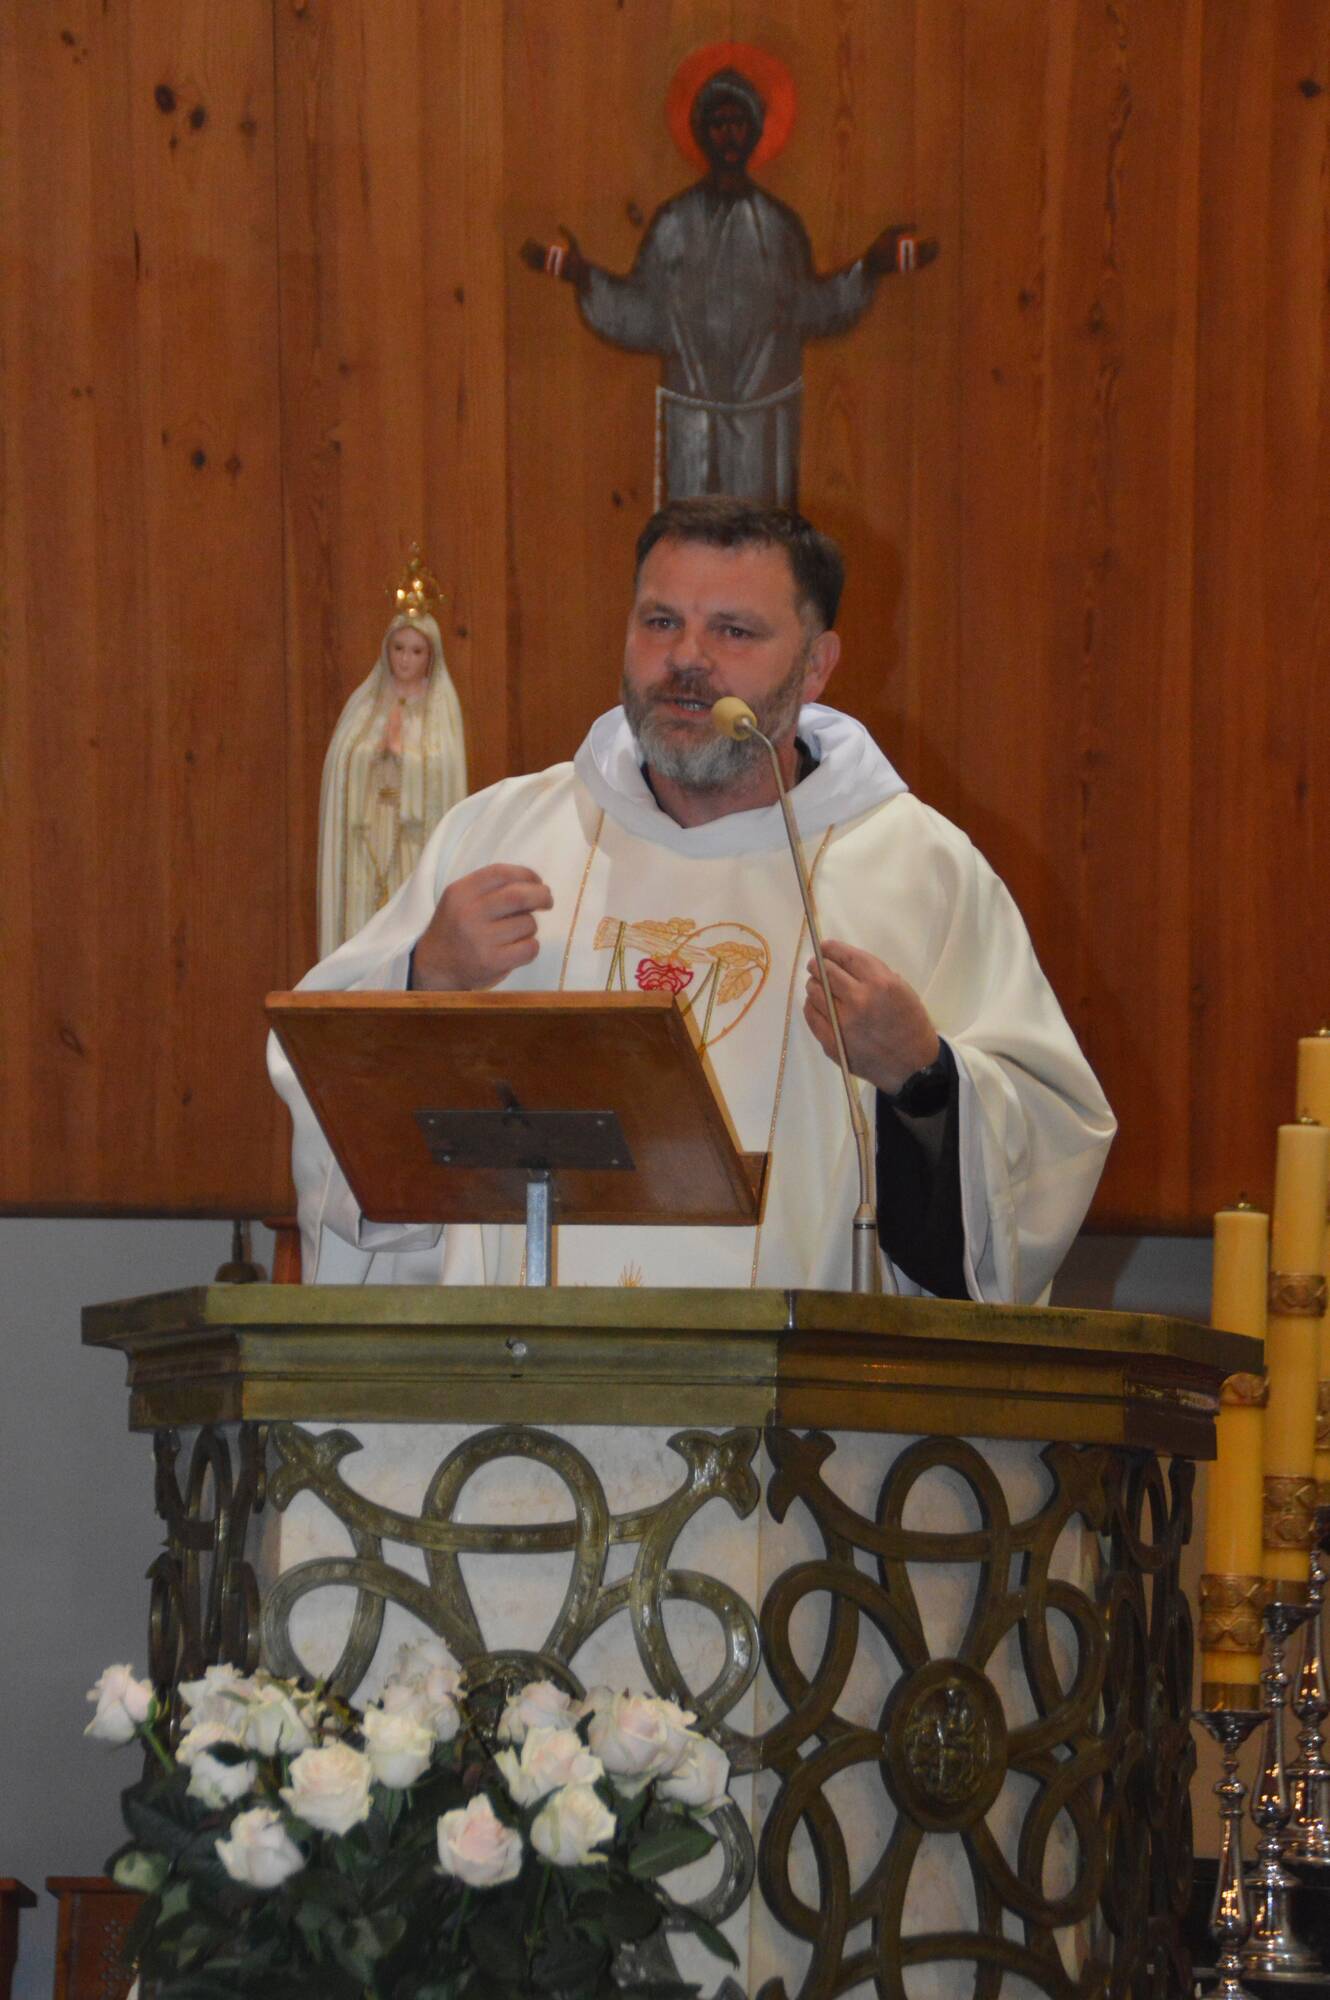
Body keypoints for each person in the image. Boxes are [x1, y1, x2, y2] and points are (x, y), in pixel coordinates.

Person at [271, 497, 1114, 1298]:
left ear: (816, 666)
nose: (687, 659)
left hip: (796, 1398)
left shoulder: (915, 871)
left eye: (734, 631)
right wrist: (424, 977)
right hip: (528, 1388)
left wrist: (923, 1077)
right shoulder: (504, 834)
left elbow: (1046, 1154)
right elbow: (322, 1081)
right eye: (661, 622)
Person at [520, 67, 936, 507]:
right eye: (718, 123)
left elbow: (811, 309)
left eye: (739, 122)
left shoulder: (778, 228)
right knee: (693, 544)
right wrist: (582, 275)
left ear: (755, 131)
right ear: (701, 132)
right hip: (693, 434)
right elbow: (643, 315)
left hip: (763, 432)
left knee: (763, 544)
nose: (729, 135)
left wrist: (871, 267)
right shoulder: (674, 224)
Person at [316, 549, 467, 957]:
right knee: (363, 920)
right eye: (399, 648)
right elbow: (342, 759)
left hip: (411, 839)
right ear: (387, 650)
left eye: (416, 651)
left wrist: (408, 759)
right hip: (367, 835)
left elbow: (445, 769)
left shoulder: (439, 709)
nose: (405, 659)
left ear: (430, 657)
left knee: (405, 928)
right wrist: (373, 752)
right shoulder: (366, 704)